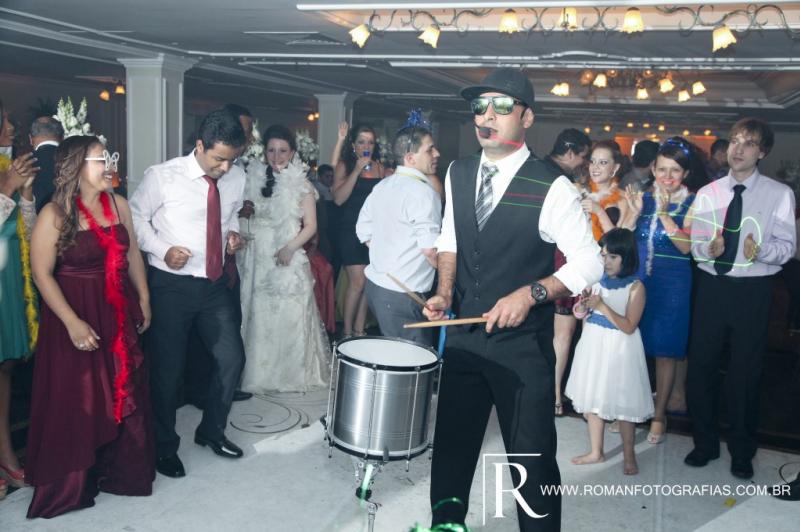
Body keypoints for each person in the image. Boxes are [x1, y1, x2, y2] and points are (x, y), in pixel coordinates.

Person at [423, 68, 602, 531]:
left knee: (532, 461)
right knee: (452, 450)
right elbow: (450, 240)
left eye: (501, 106)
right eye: (480, 106)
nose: (487, 116)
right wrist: (444, 292)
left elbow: (589, 262)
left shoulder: (551, 185)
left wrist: (531, 293)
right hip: (464, 337)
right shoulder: (459, 172)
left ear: (526, 118)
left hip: (522, 348)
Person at [26, 136, 153, 517]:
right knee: (79, 394)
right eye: (100, 159)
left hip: (117, 308)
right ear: (77, 167)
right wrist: (72, 322)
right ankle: (74, 481)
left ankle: (120, 470)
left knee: (121, 385)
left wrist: (144, 296)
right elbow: (41, 273)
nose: (108, 165)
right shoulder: (54, 214)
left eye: (108, 157)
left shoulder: (118, 204)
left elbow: (132, 253)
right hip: (75, 311)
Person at [130, 109, 247, 479]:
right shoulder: (162, 177)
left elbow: (228, 215)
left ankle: (212, 430)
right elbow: (134, 217)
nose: (225, 168)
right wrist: (162, 249)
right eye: (219, 159)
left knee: (232, 359)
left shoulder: (236, 176)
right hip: (171, 286)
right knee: (167, 372)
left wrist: (232, 235)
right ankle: (164, 447)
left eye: (231, 160)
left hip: (214, 285)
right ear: (200, 145)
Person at [686, 118, 796, 480]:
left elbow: (787, 247)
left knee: (745, 374)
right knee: (701, 368)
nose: (738, 149)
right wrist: (708, 248)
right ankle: (704, 443)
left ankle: (742, 451)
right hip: (712, 288)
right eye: (735, 141)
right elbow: (696, 246)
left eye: (748, 143)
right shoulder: (708, 192)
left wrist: (761, 251)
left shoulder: (779, 194)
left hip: (753, 291)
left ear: (762, 152)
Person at [237, 125, 330, 392]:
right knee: (259, 315)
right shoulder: (253, 179)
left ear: (292, 153)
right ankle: (258, 374)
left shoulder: (302, 185)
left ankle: (290, 374)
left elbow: (311, 226)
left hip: (286, 255)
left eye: (282, 151)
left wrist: (290, 248)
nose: (276, 157)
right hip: (256, 257)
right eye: (271, 150)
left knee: (287, 313)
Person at [621, 137, 696, 444]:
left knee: (666, 351)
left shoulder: (692, 201)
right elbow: (621, 239)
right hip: (638, 280)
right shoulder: (641, 196)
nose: (667, 176)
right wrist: (634, 213)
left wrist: (664, 214)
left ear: (685, 174)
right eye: (662, 169)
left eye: (675, 170)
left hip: (673, 283)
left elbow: (687, 247)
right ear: (652, 168)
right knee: (632, 346)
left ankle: (659, 415)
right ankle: (628, 411)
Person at [565, 228, 653, 475]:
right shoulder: (595, 282)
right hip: (594, 345)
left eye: (613, 257)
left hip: (621, 348)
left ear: (627, 257)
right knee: (592, 396)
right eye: (603, 256)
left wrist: (602, 306)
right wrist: (582, 307)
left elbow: (629, 325)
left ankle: (629, 454)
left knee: (623, 401)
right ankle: (596, 451)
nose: (607, 262)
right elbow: (581, 314)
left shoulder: (636, 288)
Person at [356, 124, 442, 346]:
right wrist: (451, 279)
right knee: (413, 361)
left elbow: (363, 229)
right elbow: (430, 251)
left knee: (395, 355)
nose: (437, 154)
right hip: (402, 296)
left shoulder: (383, 185)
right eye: (430, 149)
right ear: (410, 158)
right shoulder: (424, 193)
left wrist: (389, 252)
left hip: (376, 288)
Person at [0, 106, 39, 498]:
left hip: (10, 281)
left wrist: (25, 194)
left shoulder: (6, 166)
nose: (12, 127)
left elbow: (27, 232)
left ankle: (6, 454)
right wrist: (7, 188)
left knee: (5, 368)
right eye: (4, 120)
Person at [543, 128, 591, 416]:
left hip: (590, 268)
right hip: (562, 262)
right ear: (571, 153)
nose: (588, 165)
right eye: (587, 158)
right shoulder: (558, 181)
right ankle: (555, 395)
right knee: (561, 334)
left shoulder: (606, 194)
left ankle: (585, 398)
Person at [331, 121, 384, 338]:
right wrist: (356, 170)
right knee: (357, 282)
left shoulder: (380, 167)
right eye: (362, 142)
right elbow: (338, 199)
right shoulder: (345, 165)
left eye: (370, 142)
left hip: (373, 233)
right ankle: (346, 332)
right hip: (350, 230)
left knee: (368, 283)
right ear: (353, 145)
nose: (366, 146)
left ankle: (359, 330)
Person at [580, 140, 628, 241]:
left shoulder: (623, 198)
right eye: (592, 161)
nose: (595, 167)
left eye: (603, 162)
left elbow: (617, 242)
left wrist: (599, 211)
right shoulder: (577, 190)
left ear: (615, 167)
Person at [28, 116, 64, 214]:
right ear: (63, 137)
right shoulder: (73, 160)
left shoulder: (24, 164)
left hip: (36, 220)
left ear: (30, 139)